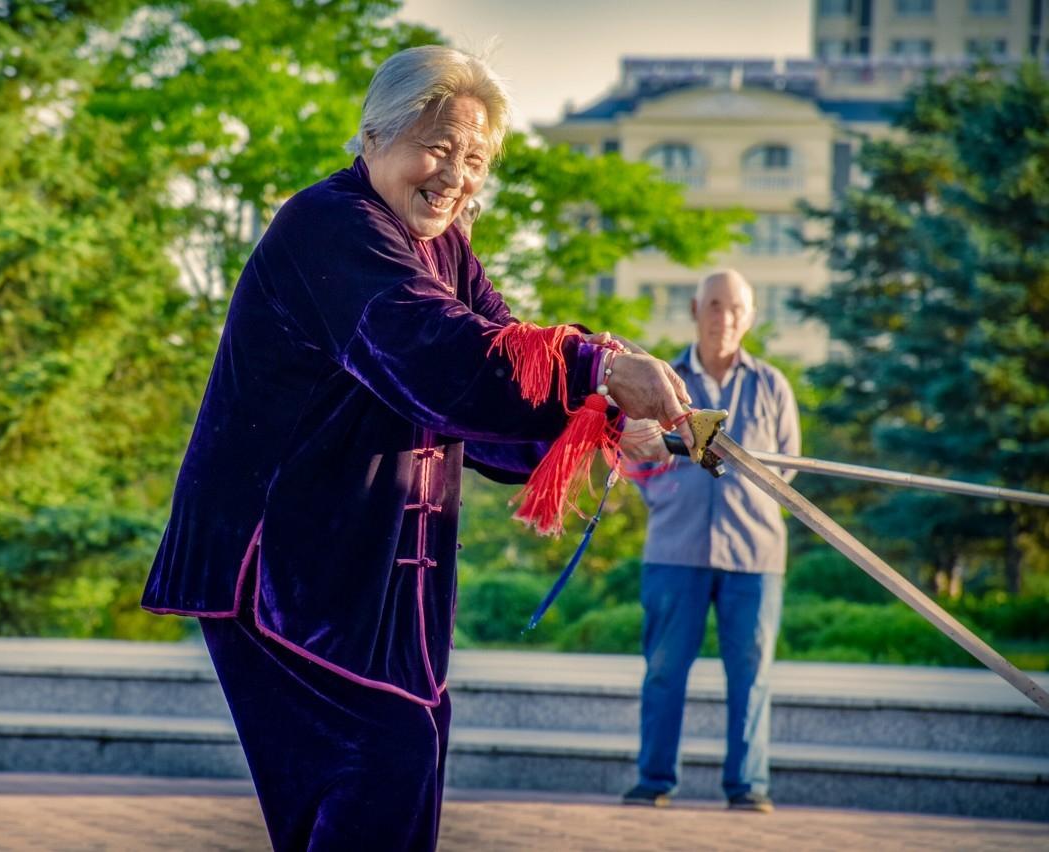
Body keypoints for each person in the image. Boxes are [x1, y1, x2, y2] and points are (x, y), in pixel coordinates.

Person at [141, 45, 694, 851]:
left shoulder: (444, 246)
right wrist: (600, 365)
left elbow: (496, 365)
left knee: (404, 764)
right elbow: (439, 354)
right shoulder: (327, 224)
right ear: (372, 138)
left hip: (389, 571)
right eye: (437, 148)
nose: (456, 176)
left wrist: (603, 413)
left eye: (474, 158)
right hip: (283, 570)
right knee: (381, 766)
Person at [622, 269, 801, 814]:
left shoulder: (772, 384)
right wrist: (671, 498)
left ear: (749, 317)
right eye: (715, 305)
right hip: (674, 551)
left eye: (736, 308)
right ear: (697, 309)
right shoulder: (660, 378)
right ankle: (654, 781)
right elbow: (636, 457)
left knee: (751, 677)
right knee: (663, 671)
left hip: (755, 556)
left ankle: (748, 787)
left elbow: (787, 466)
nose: (724, 318)